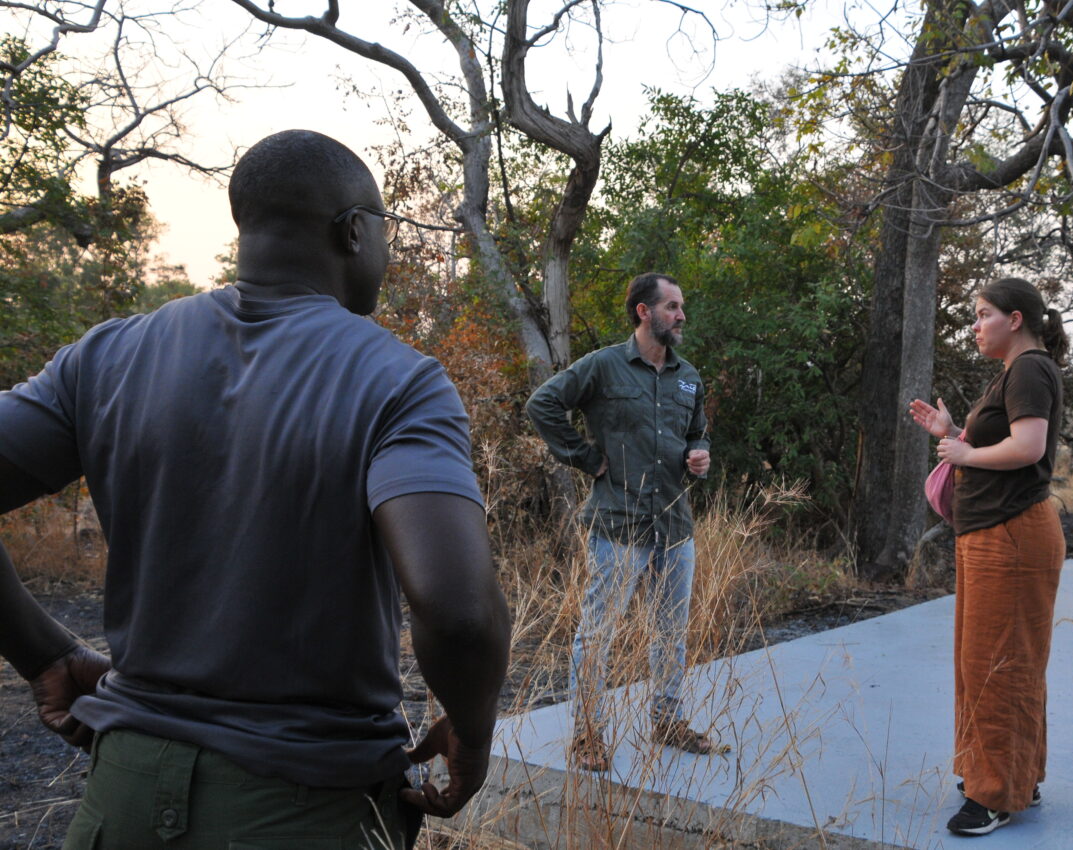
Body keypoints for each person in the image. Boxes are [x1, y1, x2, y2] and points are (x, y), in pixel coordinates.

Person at [0, 129, 511, 849]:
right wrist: (473, 728)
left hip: (121, 799)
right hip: (306, 808)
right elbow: (458, 615)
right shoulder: (399, 381)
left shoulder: (107, 356)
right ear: (354, 232)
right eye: (385, 233)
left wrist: (42, 655)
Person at [525, 272, 721, 772]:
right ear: (644, 312)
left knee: (670, 632)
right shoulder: (603, 367)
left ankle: (668, 721)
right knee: (598, 634)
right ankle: (588, 736)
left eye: (680, 307)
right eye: (673, 306)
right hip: (618, 525)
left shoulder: (689, 376)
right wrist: (585, 458)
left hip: (674, 526)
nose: (681, 315)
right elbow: (542, 404)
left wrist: (698, 454)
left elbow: (697, 433)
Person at [908, 277, 1068, 837]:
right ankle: (1010, 774)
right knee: (992, 661)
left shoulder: (1029, 368)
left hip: (1012, 536)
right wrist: (951, 431)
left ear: (1016, 319)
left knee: (999, 663)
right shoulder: (1017, 372)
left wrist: (966, 450)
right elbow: (1007, 441)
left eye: (982, 315)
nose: (974, 326)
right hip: (993, 535)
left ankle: (996, 794)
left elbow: (1028, 447)